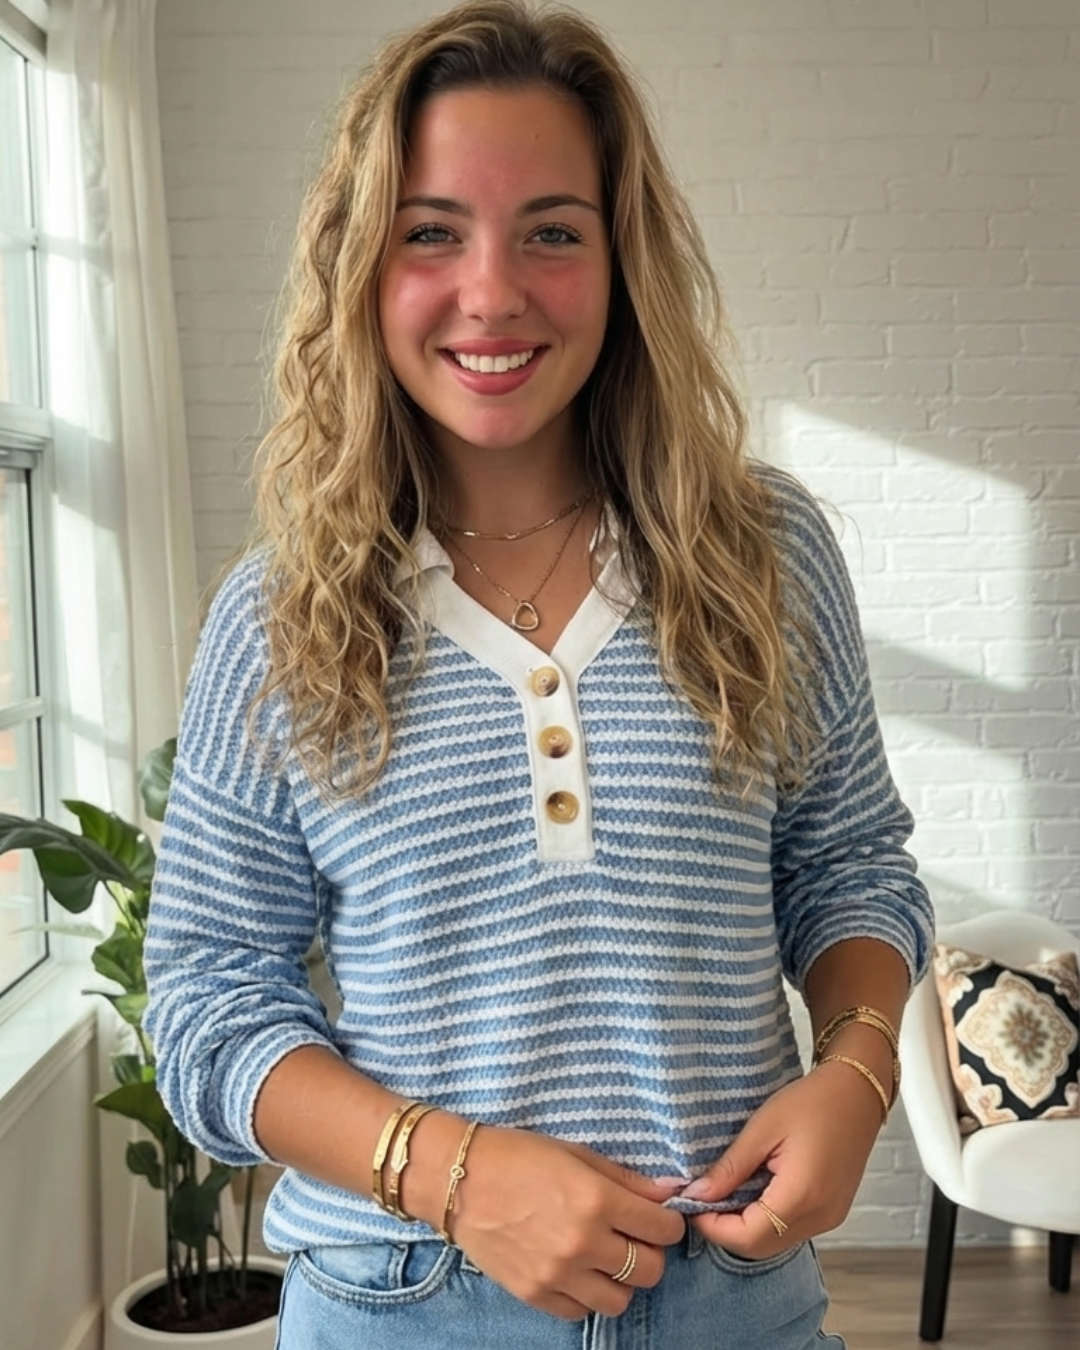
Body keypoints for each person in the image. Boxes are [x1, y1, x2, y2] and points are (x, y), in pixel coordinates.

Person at [144, 3, 933, 1347]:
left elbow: (848, 863)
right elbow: (207, 999)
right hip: (403, 1302)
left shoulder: (765, 552)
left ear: (624, 261)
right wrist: (454, 1175)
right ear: (361, 265)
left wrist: (857, 1075)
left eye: (553, 232)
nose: (494, 291)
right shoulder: (277, 618)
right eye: (432, 232)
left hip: (736, 1297)